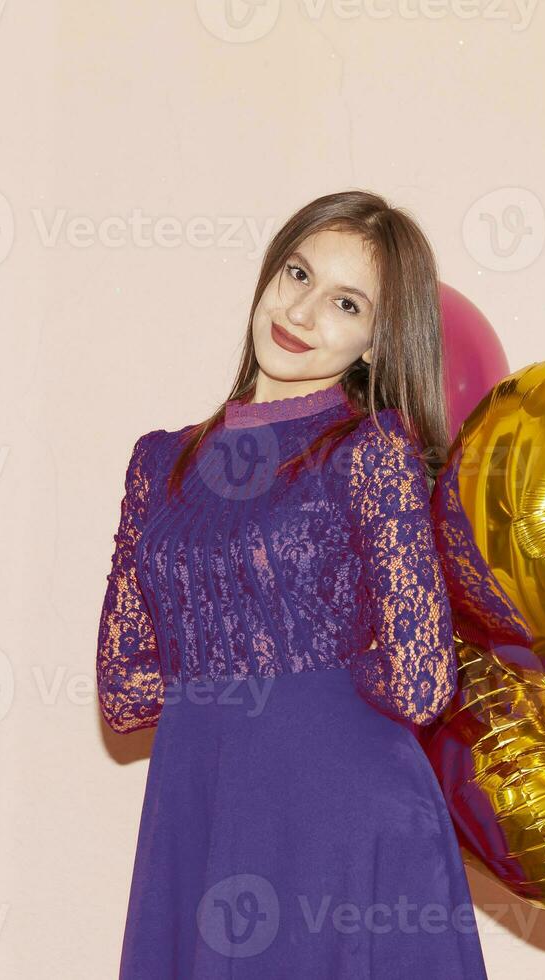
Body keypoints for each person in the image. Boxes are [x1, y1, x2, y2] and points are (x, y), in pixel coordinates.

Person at [95, 190, 490, 978]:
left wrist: (296, 688)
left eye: (345, 303)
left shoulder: (372, 451)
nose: (303, 312)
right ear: (269, 274)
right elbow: (123, 692)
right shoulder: (156, 461)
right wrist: (300, 661)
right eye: (297, 274)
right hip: (200, 811)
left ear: (376, 342)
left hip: (339, 825)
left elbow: (422, 683)